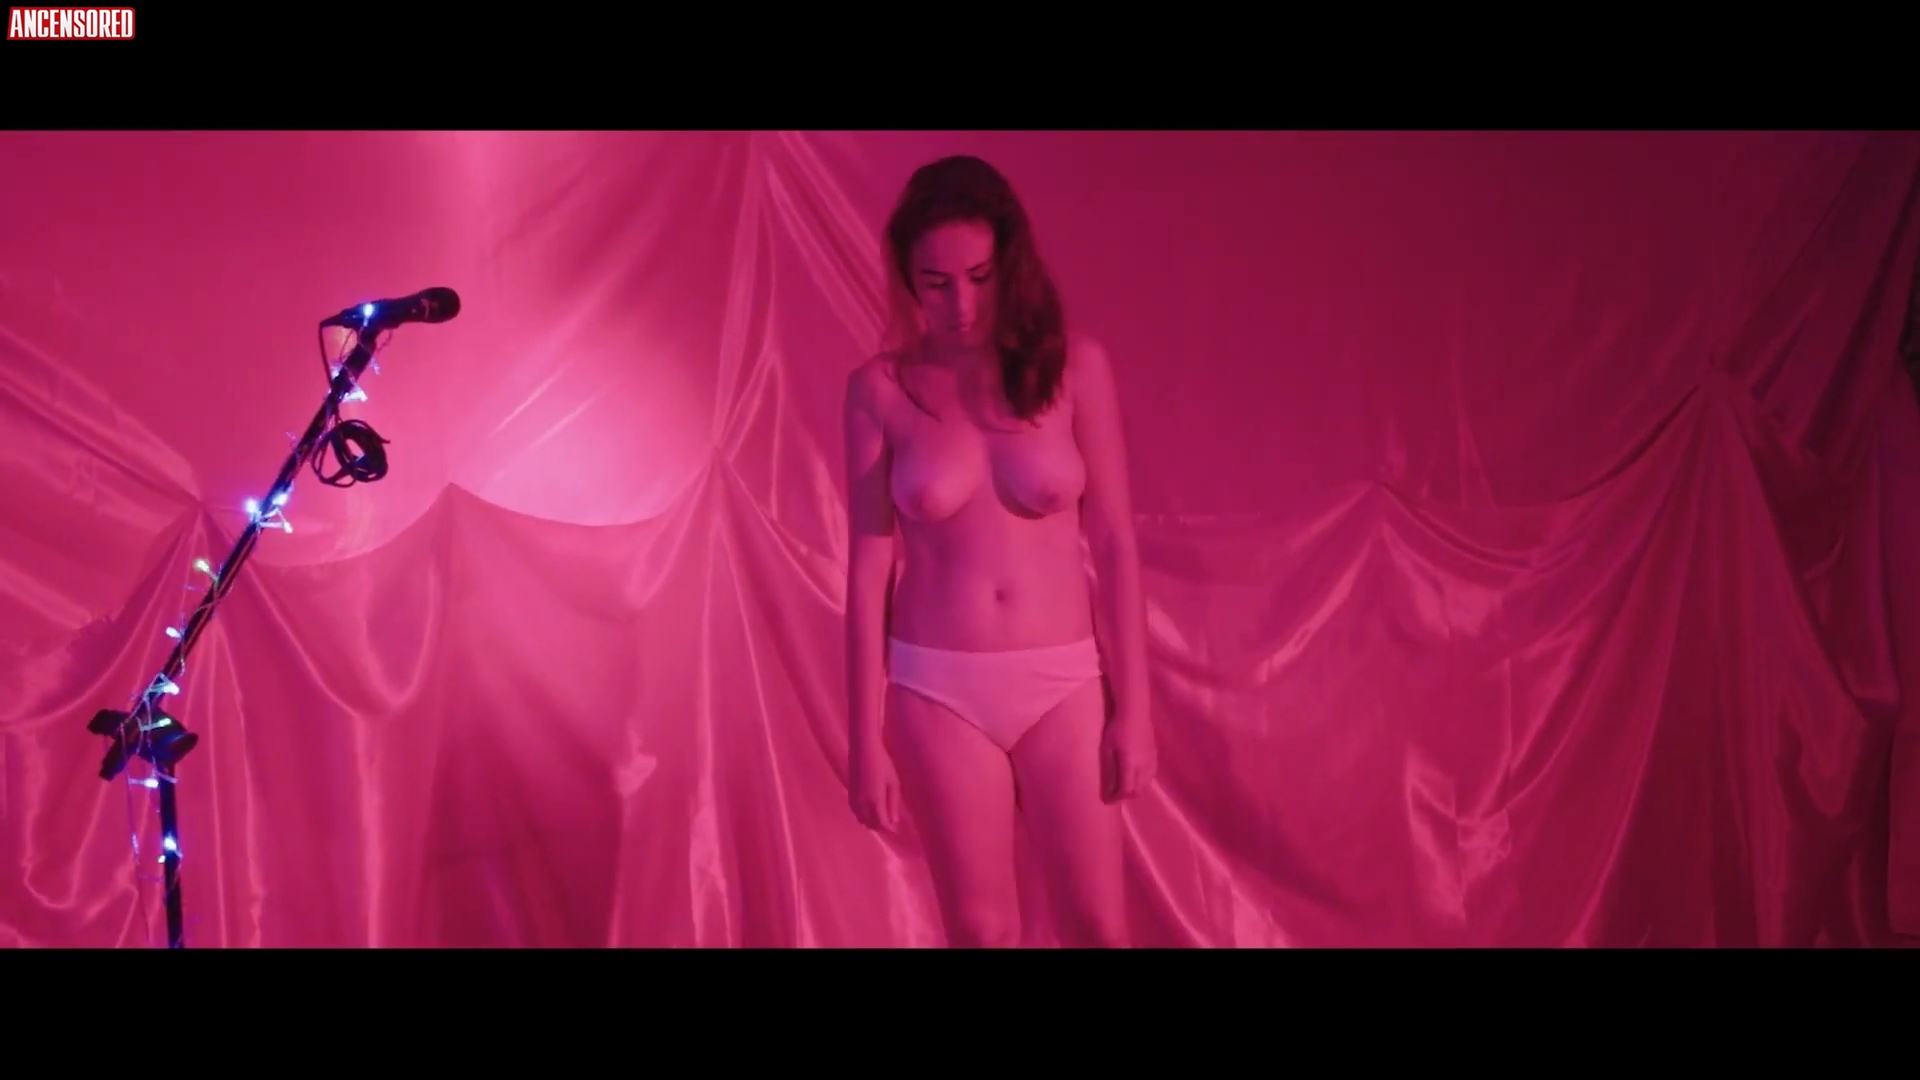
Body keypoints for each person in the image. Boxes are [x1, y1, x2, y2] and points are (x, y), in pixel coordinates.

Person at [841, 155, 1155, 948]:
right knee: (981, 933)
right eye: (936, 282)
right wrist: (862, 738)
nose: (961, 305)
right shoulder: (880, 390)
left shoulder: (1075, 369)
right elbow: (869, 568)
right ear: (907, 277)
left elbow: (1115, 544)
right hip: (937, 685)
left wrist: (1137, 709)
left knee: (1099, 927)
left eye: (979, 277)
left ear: (1009, 264)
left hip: (1064, 681)